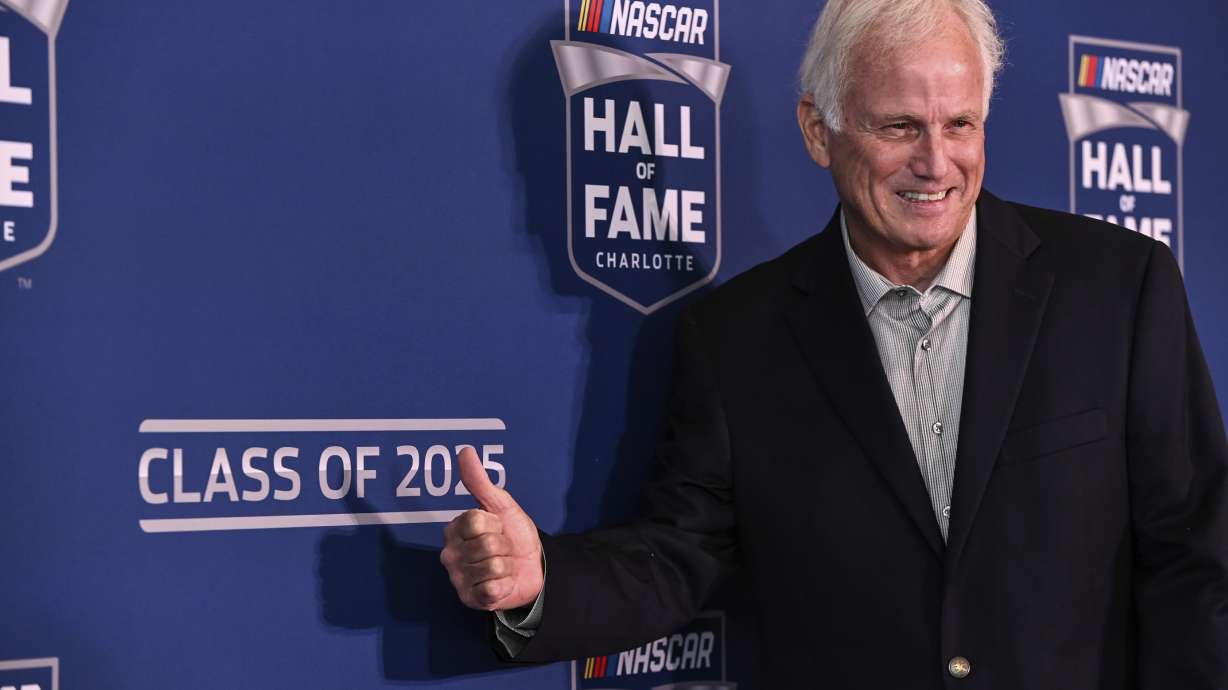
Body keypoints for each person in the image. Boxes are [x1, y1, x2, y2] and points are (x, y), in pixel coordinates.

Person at [439, 0, 1228, 687]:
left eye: (960, 124)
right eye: (899, 127)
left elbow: (1198, 557)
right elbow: (679, 556)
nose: (937, 163)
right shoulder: (735, 339)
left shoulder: (1119, 289)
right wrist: (542, 582)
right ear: (820, 131)